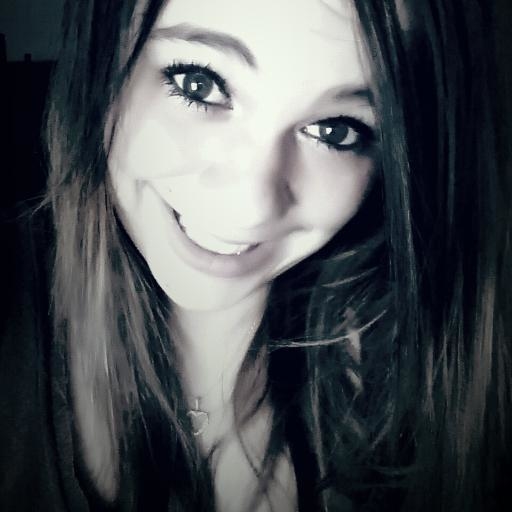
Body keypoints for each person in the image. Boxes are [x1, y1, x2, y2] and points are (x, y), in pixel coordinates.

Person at [0, 0, 510, 510]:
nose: (250, 206)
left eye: (334, 130)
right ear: (106, 58)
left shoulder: (427, 378)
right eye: (198, 84)